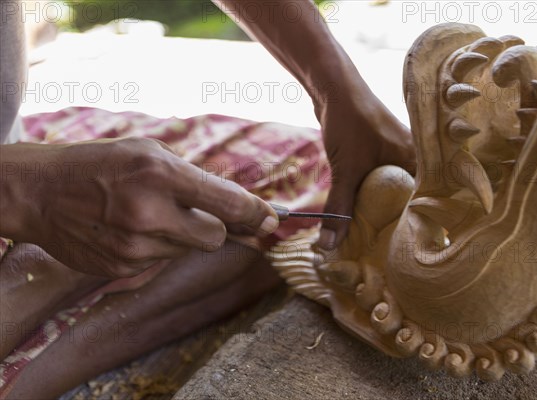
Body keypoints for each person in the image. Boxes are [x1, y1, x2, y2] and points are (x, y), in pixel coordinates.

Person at [0, 0, 415, 397]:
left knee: (315, 173)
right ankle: (39, 285)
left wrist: (336, 88)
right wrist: (24, 193)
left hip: (24, 147)